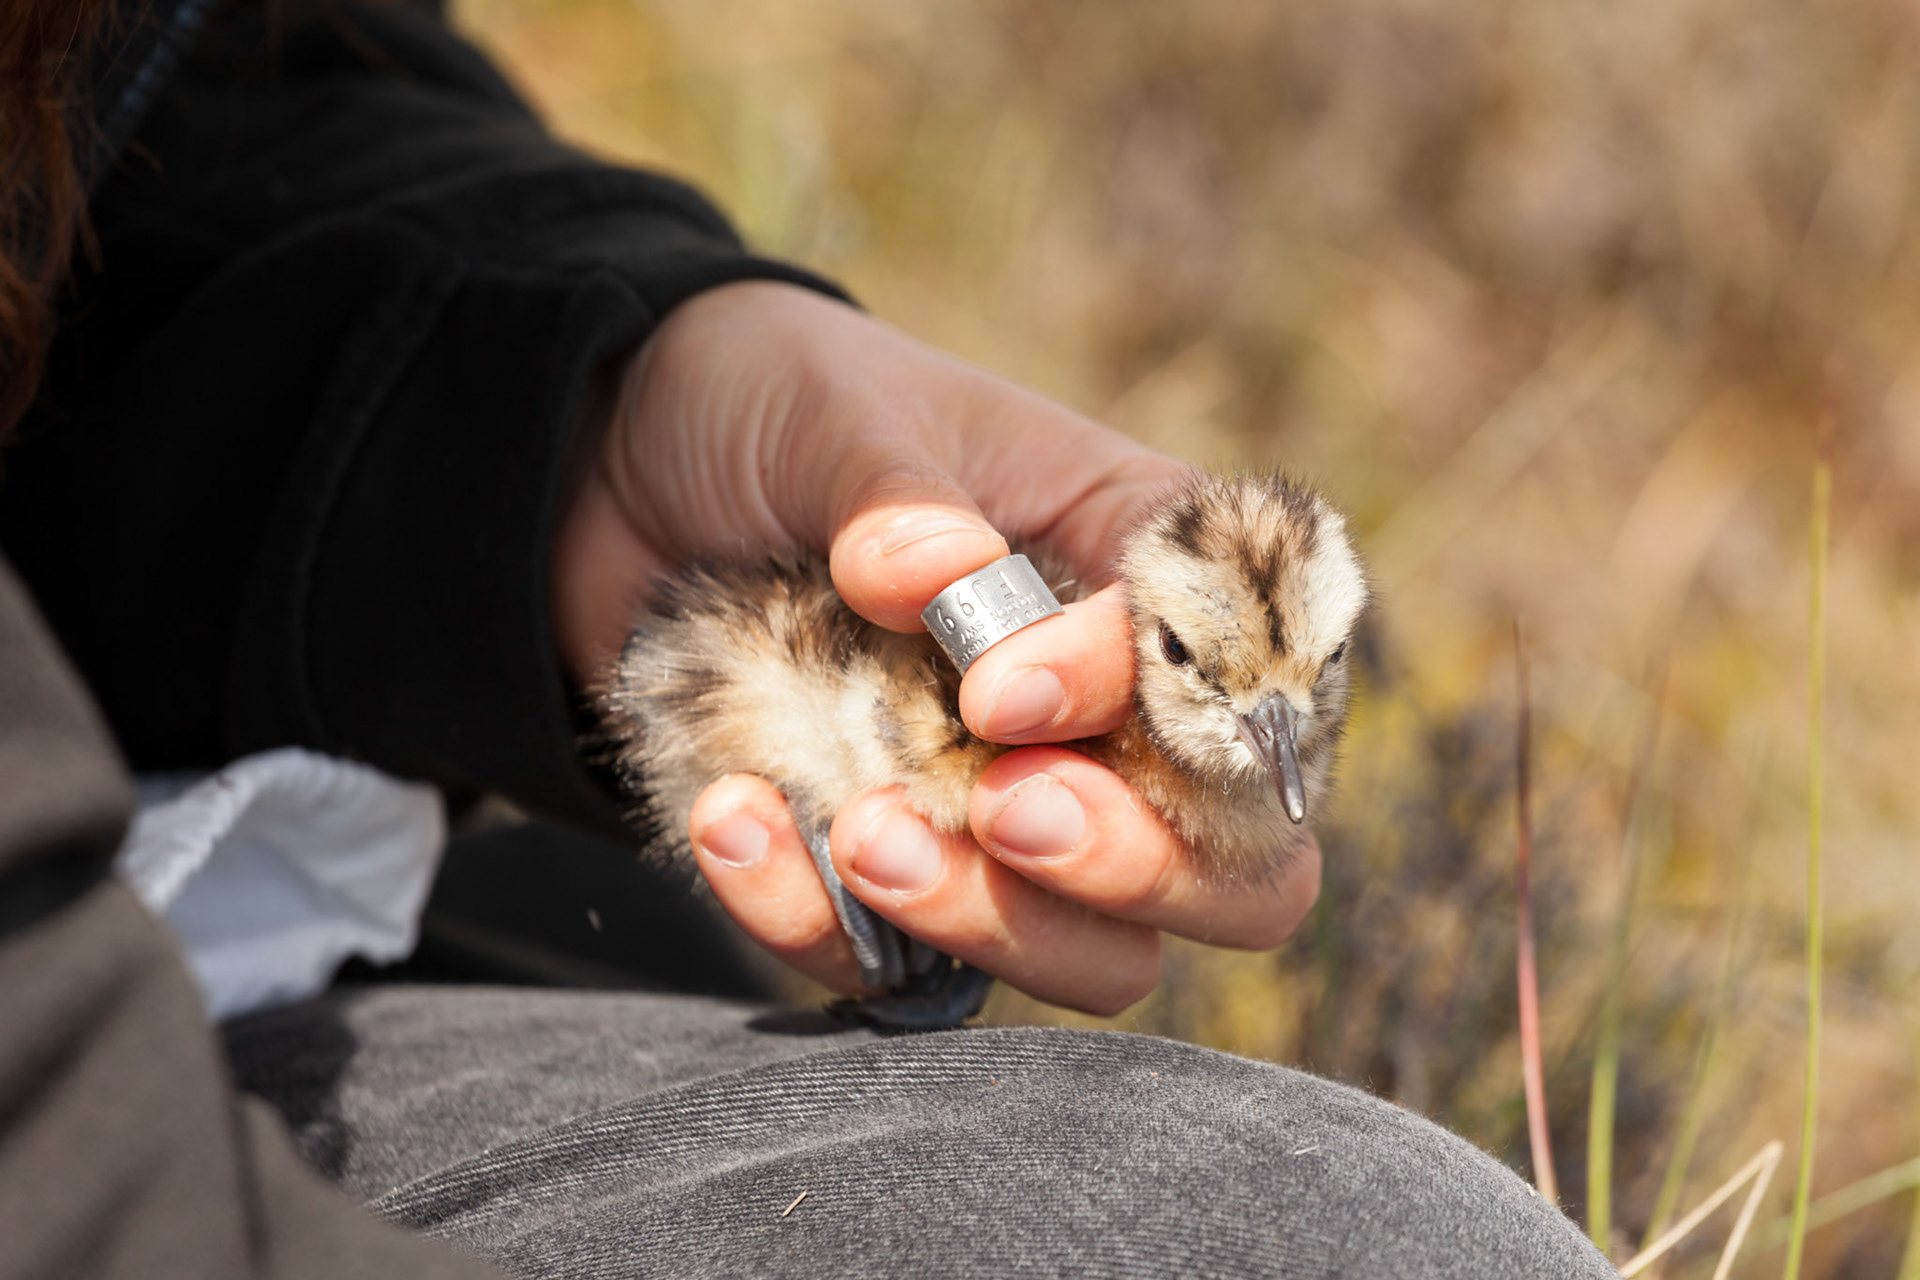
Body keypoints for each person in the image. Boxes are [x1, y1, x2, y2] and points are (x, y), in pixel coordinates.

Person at [0, 0, 1616, 1275]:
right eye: (1217, 672)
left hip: (190, 874)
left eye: (1310, 679)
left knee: (1344, 1241)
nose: (1277, 728)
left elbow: (158, 85)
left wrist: (569, 391)